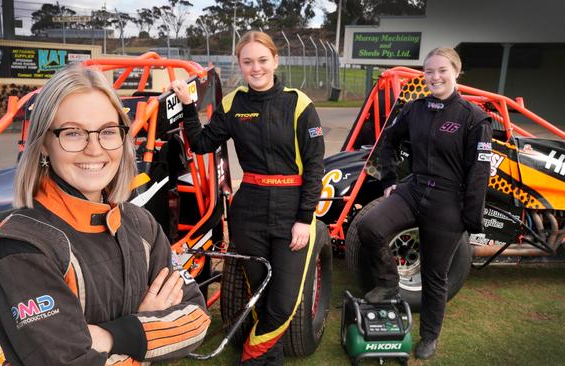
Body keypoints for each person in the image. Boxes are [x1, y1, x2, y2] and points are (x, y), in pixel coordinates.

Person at [0, 64, 210, 365]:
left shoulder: (140, 224)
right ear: (43, 144)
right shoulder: (20, 249)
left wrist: (115, 335)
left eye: (108, 132)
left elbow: (197, 319)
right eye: (73, 133)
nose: (94, 149)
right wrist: (150, 326)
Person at [171, 31, 324, 365]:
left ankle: (252, 358)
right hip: (249, 209)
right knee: (261, 294)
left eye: (262, 60)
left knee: (283, 302)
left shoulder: (299, 103)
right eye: (247, 62)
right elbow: (200, 144)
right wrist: (187, 106)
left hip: (292, 210)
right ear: (239, 65)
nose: (256, 68)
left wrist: (304, 218)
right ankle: (272, 359)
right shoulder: (233, 103)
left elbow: (315, 167)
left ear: (275, 60)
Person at [357, 47, 492, 359]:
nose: (435, 76)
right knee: (369, 226)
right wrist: (389, 180)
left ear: (456, 72)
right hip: (414, 188)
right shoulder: (415, 108)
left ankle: (429, 336)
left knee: (434, 276)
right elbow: (388, 141)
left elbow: (479, 172)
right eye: (429, 71)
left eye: (442, 70)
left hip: (448, 200)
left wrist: (469, 219)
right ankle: (389, 283)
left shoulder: (474, 118)